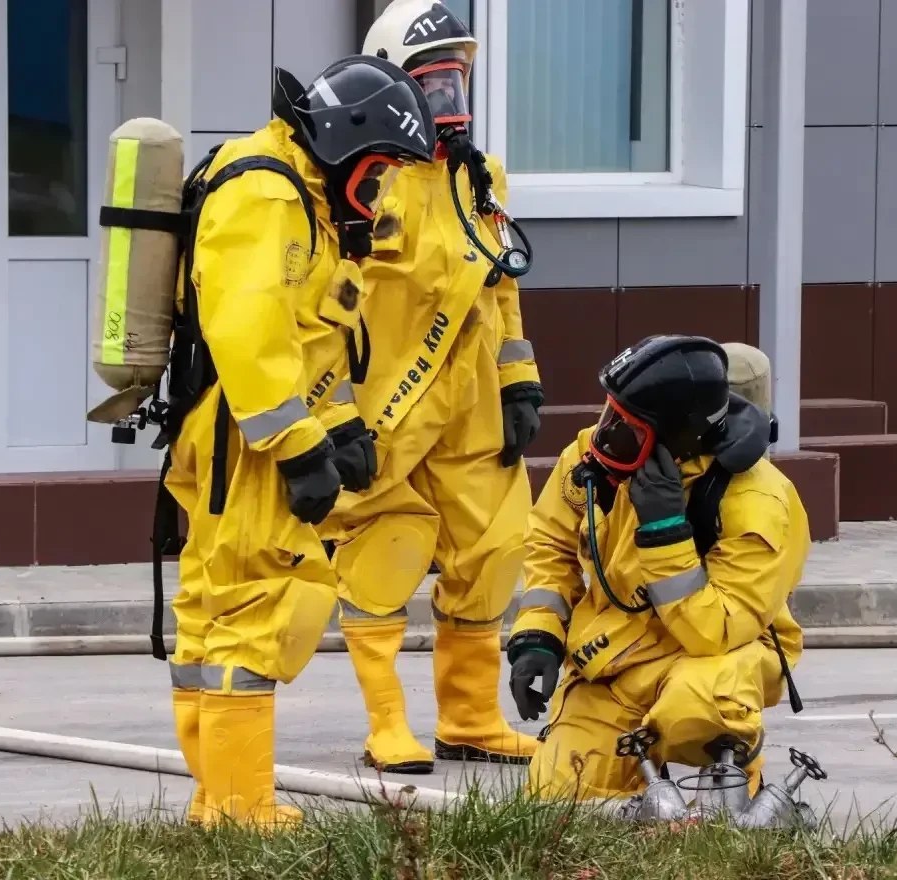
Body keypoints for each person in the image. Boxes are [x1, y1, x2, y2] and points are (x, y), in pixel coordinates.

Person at [159, 55, 437, 830]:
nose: (380, 192)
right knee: (259, 603)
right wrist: (296, 445)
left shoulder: (305, 198)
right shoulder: (268, 193)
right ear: (346, 145)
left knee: (215, 615)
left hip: (242, 436)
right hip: (242, 444)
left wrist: (340, 426)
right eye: (378, 171)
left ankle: (218, 800)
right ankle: (242, 804)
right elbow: (248, 334)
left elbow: (311, 341)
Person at [309, 0, 544, 775]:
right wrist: (334, 410)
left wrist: (518, 380)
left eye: (458, 80)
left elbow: (501, 289)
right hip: (388, 403)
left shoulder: (481, 178)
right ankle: (387, 723)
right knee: (386, 546)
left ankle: (471, 717)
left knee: (497, 544)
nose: (450, 101)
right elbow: (325, 306)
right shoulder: (364, 180)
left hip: (472, 401)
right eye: (433, 83)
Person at [505, 335, 809, 803]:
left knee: (699, 706)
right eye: (611, 414)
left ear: (676, 440)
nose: (605, 436)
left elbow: (714, 630)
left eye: (629, 428)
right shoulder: (592, 455)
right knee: (557, 799)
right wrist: (538, 636)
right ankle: (644, 797)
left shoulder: (758, 503)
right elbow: (550, 544)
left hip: (713, 656)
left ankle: (731, 787)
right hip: (617, 658)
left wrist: (666, 533)